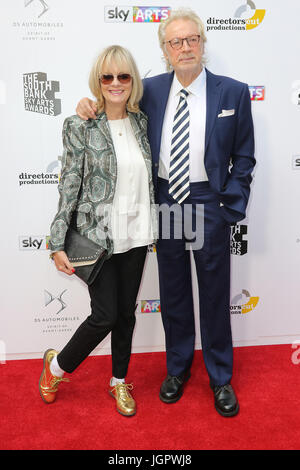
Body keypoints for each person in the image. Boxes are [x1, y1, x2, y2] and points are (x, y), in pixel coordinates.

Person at [76, 8, 255, 417]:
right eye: (175, 42)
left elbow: (244, 156)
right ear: (164, 49)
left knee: (213, 294)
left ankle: (220, 378)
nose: (185, 47)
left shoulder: (233, 92)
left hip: (209, 201)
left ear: (202, 43)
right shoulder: (150, 90)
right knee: (173, 292)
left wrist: (230, 202)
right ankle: (177, 369)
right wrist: (87, 104)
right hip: (166, 201)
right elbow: (113, 105)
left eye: (191, 39)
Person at [39, 45, 157, 417]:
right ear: (98, 81)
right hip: (97, 238)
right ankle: (56, 367)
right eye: (108, 76)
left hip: (137, 235)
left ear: (132, 81)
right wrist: (57, 240)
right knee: (105, 315)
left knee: (125, 314)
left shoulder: (142, 121)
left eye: (123, 76)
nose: (116, 83)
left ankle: (119, 382)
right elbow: (69, 183)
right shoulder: (80, 124)